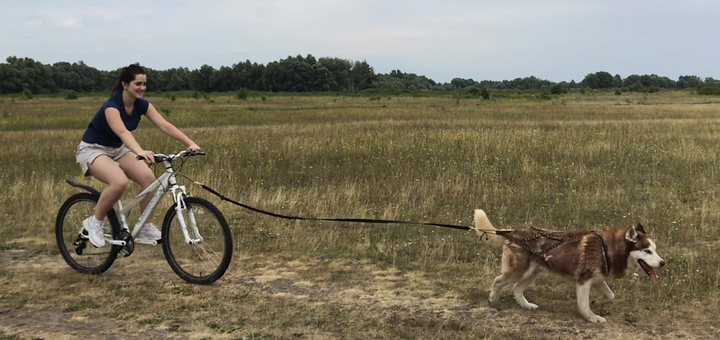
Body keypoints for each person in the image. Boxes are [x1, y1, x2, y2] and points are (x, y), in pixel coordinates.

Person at [76, 63, 200, 247]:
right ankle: (95, 222)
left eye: (144, 84)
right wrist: (140, 151)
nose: (142, 88)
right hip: (93, 149)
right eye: (137, 84)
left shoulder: (142, 105)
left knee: (149, 180)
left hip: (117, 150)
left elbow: (164, 124)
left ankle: (145, 227)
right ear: (125, 84)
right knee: (119, 182)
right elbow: (123, 132)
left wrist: (189, 142)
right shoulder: (111, 107)